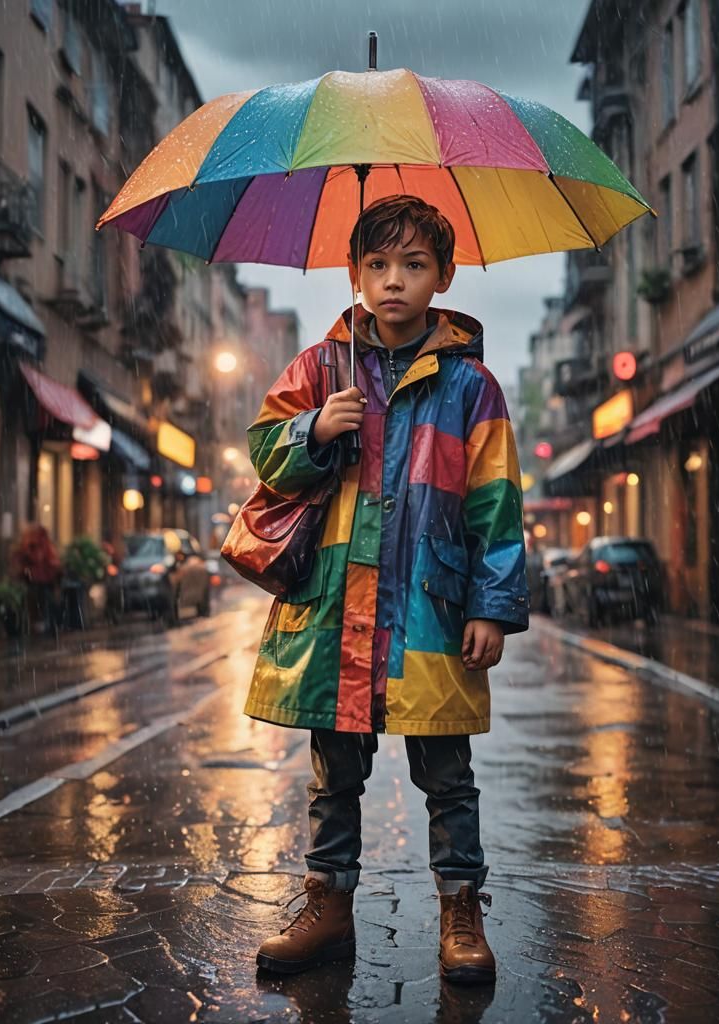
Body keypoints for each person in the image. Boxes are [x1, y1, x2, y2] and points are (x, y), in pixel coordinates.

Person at [244, 195, 529, 985]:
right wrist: (313, 431)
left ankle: (460, 909)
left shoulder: (472, 387)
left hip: (430, 608)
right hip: (338, 609)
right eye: (377, 265)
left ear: (444, 275)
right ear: (354, 273)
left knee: (447, 773)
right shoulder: (318, 368)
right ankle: (328, 907)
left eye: (412, 265)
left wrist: (492, 607)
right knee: (333, 774)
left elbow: (496, 503)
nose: (393, 281)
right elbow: (265, 451)